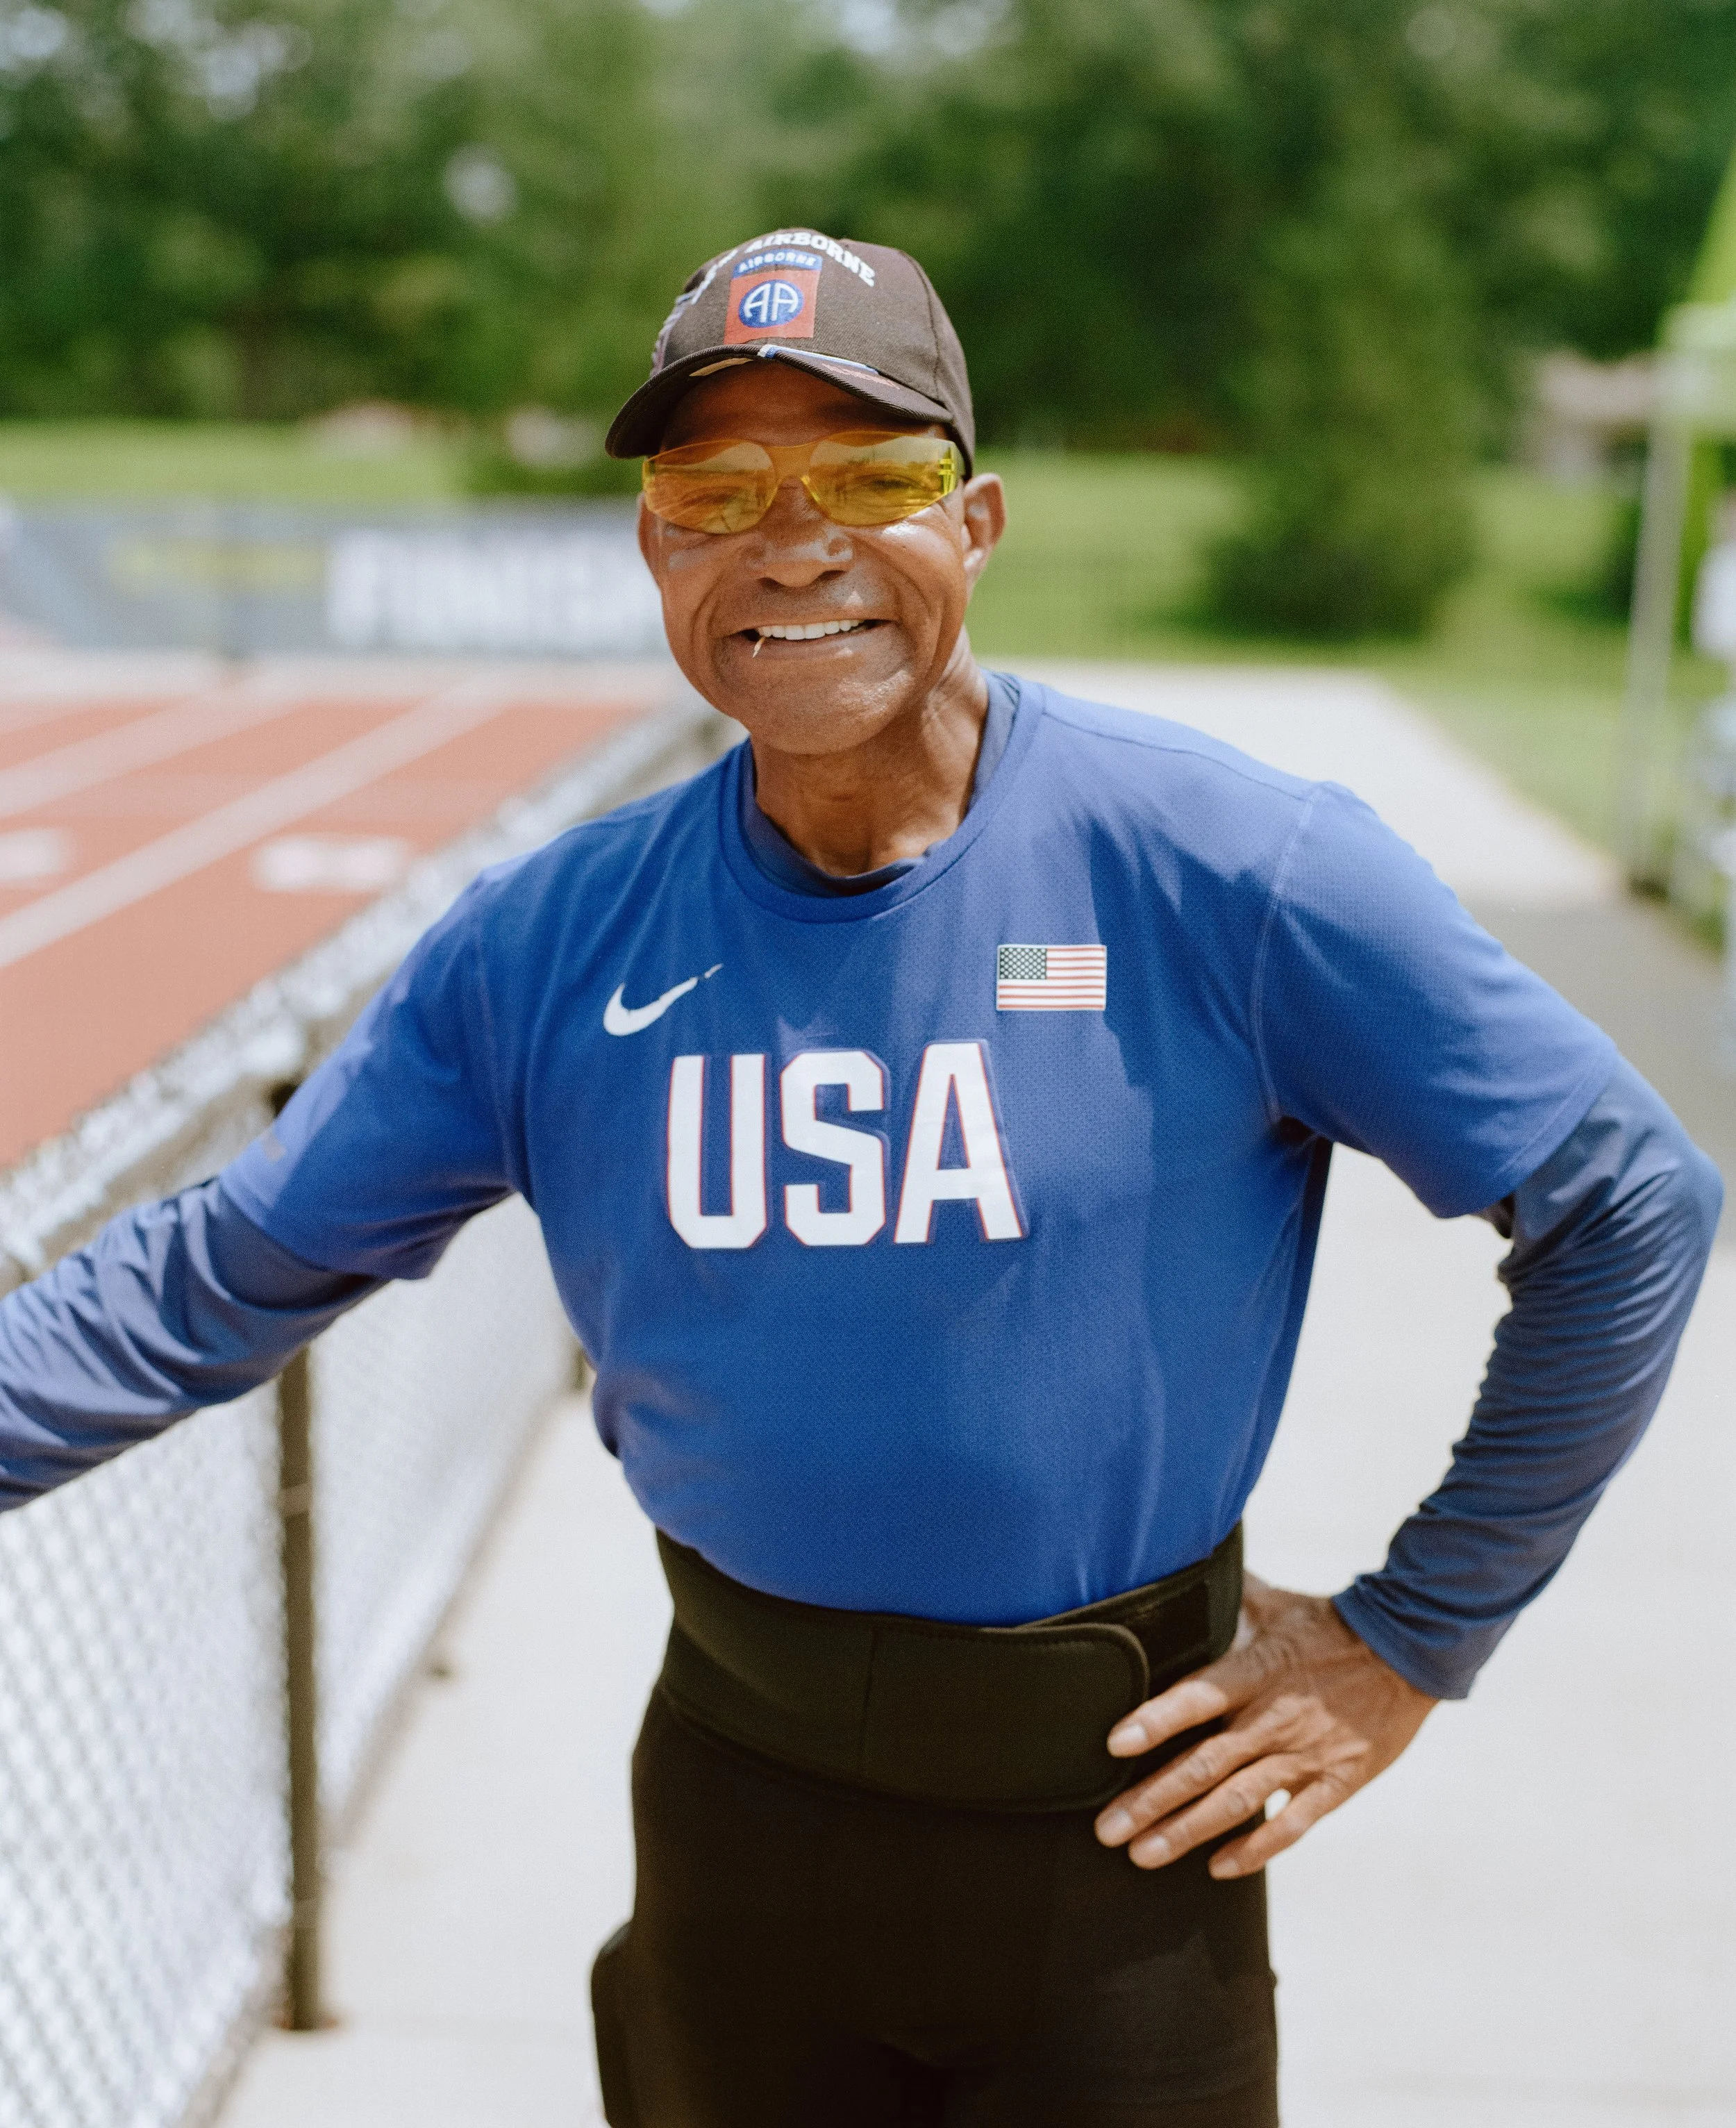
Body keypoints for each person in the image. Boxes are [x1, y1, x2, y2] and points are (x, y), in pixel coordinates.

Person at [0, 229, 1721, 2127]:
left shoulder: (1231, 870)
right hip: (744, 1826)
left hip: (1119, 1852)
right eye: (713, 491)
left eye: (872, 478)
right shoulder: (550, 943)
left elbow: (1627, 1201)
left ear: (973, 523)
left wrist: (1413, 1637)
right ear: (655, 549)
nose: (791, 542)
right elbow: (215, 1274)